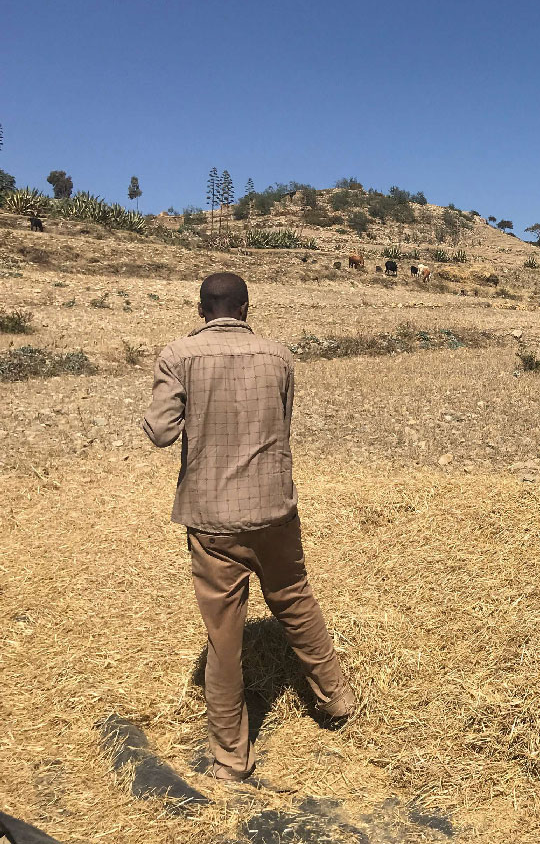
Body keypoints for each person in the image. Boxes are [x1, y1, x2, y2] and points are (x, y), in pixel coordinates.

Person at [142, 272, 354, 782]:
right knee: (296, 601)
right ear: (246, 308)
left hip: (213, 518)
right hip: (274, 508)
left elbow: (160, 433)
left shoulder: (177, 355)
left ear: (201, 310)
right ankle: (338, 701)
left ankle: (231, 758)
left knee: (223, 638)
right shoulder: (278, 356)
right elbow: (280, 421)